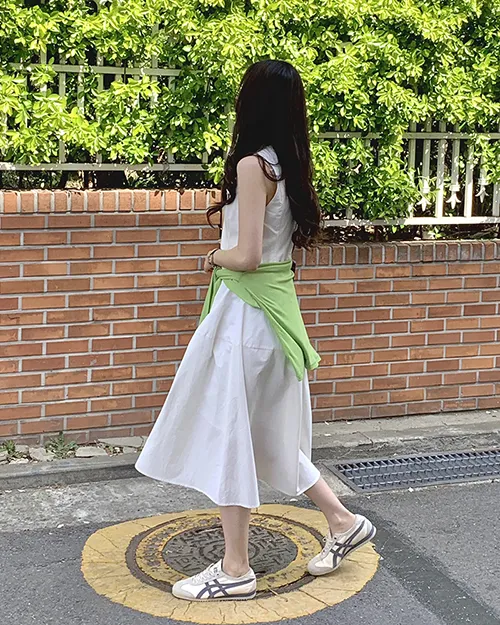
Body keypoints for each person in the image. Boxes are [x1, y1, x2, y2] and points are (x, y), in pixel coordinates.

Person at [135, 59, 376, 602]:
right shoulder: (287, 165)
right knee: (265, 436)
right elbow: (272, 250)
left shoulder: (251, 165)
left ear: (250, 103)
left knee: (229, 437)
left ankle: (236, 569)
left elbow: (245, 256)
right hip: (274, 318)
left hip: (244, 320)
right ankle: (342, 522)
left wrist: (212, 256)